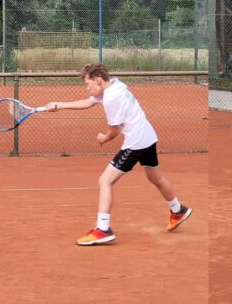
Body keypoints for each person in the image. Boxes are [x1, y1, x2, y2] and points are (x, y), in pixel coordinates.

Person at [47, 63, 192, 246]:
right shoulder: (116, 84)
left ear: (98, 81)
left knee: (105, 181)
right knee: (156, 177)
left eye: (87, 84)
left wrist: (103, 138)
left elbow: (114, 131)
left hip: (136, 142)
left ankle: (103, 229)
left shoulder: (111, 98)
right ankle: (177, 209)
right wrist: (59, 105)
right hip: (147, 136)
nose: (87, 87)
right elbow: (89, 101)